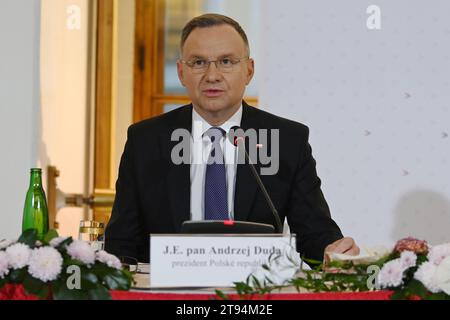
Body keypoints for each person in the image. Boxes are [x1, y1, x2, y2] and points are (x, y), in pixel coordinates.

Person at [104, 13, 359, 263]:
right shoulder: (146, 141)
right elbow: (122, 241)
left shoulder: (287, 140)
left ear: (248, 71)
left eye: (226, 61)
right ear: (181, 72)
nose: (212, 75)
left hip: (254, 295)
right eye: (198, 62)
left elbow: (314, 232)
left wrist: (332, 251)